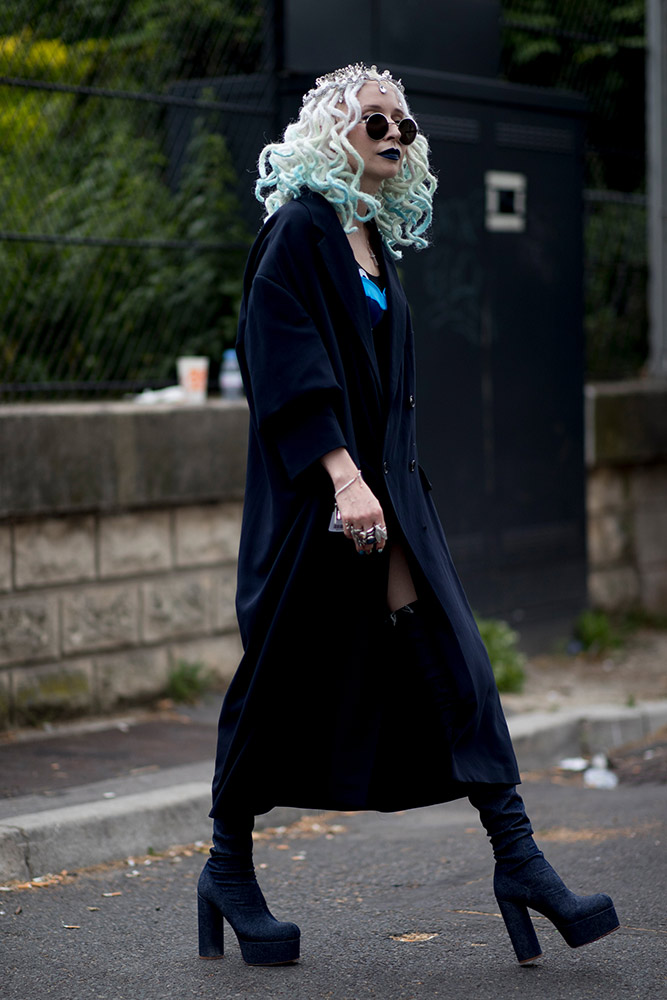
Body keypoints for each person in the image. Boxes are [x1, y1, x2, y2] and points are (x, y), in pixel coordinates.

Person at [197, 63, 619, 968]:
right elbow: (282, 359)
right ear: (329, 129)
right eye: (374, 119)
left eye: (405, 124)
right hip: (321, 503)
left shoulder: (370, 235)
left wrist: (379, 486)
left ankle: (520, 862)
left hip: (387, 499)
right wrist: (344, 480)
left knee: (456, 661)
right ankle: (226, 870)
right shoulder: (298, 231)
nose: (395, 133)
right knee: (277, 684)